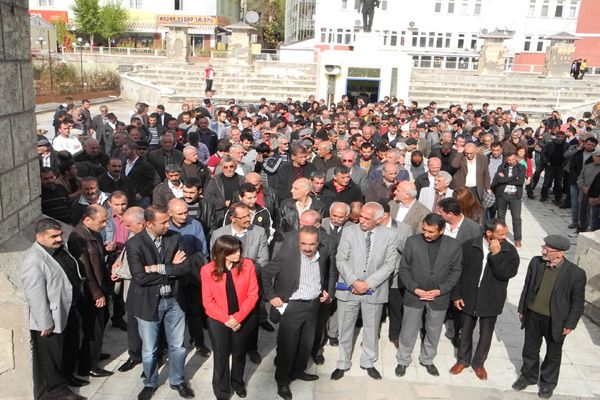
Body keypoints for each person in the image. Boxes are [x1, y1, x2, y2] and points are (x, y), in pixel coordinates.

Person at [126, 205, 194, 400]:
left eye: (167, 221)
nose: (167, 225)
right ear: (149, 224)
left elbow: (186, 268)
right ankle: (150, 382)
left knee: (178, 346)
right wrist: (171, 269)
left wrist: (157, 267)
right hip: (148, 303)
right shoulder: (135, 244)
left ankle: (178, 380)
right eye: (162, 222)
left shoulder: (174, 237)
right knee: (149, 349)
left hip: (174, 301)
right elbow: (139, 277)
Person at [331, 202, 401, 381]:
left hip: (374, 291)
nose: (360, 220)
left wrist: (367, 284)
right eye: (360, 216)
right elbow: (341, 259)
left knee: (371, 329)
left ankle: (369, 362)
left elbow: (389, 265)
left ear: (379, 219)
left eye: (366, 218)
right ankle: (343, 362)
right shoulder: (349, 231)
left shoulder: (391, 236)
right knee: (345, 328)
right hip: (349, 289)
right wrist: (354, 281)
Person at [262, 226, 333, 400]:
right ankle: (282, 380)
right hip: (293, 306)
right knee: (288, 346)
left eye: (311, 244)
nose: (308, 248)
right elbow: (265, 272)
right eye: (303, 244)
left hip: (314, 305)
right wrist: (271, 296)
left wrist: (326, 291)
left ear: (318, 242)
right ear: (298, 242)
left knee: (306, 343)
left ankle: (298, 370)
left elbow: (328, 273)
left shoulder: (322, 254)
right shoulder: (288, 256)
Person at [513, 235, 586, 399]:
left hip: (556, 321)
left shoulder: (576, 274)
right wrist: (522, 308)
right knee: (530, 349)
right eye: (544, 246)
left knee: (553, 354)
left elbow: (577, 303)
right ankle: (528, 377)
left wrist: (571, 323)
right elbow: (528, 286)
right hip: (533, 315)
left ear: (560, 254)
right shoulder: (536, 262)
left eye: (548, 249)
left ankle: (547, 384)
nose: (543, 251)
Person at [21, 218, 87, 400]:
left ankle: (67, 379)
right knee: (54, 356)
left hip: (69, 310)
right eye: (54, 236)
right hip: (52, 317)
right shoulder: (33, 261)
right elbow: (35, 295)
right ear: (39, 237)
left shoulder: (57, 249)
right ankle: (57, 391)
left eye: (60, 234)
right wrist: (45, 322)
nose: (59, 239)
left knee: (70, 348)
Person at [450, 219, 519, 380]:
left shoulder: (509, 251)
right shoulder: (469, 246)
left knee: (486, 333)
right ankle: (463, 360)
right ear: (489, 233)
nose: (504, 237)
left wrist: (497, 255)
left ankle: (479, 363)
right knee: (465, 330)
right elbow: (457, 271)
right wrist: (457, 295)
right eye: (501, 234)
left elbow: (506, 274)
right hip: (469, 295)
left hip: (491, 297)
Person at [395, 213, 462, 378]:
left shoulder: (453, 246)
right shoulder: (412, 242)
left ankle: (427, 360)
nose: (426, 234)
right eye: (424, 230)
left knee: (434, 331)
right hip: (414, 295)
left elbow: (456, 272)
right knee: (408, 330)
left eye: (431, 232)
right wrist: (415, 289)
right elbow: (404, 269)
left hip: (439, 297)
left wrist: (440, 290)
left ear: (441, 230)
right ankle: (403, 360)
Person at [201, 236, 259, 400]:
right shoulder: (207, 270)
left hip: (243, 318)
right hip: (218, 320)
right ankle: (222, 391)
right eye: (233, 251)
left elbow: (253, 295)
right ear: (222, 252)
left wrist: (238, 318)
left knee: (239, 354)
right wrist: (227, 319)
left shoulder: (248, 265)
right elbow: (208, 301)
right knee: (221, 355)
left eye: (239, 250)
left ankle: (237, 383)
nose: (238, 254)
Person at [211, 202, 270, 364]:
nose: (247, 219)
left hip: (250, 286)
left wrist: (245, 276)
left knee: (251, 318)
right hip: (225, 286)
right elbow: (215, 261)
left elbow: (263, 260)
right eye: (243, 217)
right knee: (230, 317)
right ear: (232, 218)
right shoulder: (218, 234)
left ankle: (251, 348)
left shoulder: (258, 232)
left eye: (249, 215)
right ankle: (230, 347)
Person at [67, 205, 113, 378]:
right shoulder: (78, 238)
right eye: (102, 221)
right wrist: (96, 294)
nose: (104, 225)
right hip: (90, 294)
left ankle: (93, 354)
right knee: (92, 329)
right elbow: (85, 270)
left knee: (100, 325)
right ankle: (89, 365)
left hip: (101, 287)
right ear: (87, 220)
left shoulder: (93, 233)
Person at [493, 151, 526, 247]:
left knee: (516, 218)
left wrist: (506, 179)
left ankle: (517, 238)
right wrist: (513, 178)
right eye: (508, 160)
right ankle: (500, 236)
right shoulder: (502, 166)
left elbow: (520, 181)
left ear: (515, 157)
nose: (511, 161)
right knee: (500, 216)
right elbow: (498, 179)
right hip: (502, 195)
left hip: (515, 195)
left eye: (512, 159)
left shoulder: (521, 167)